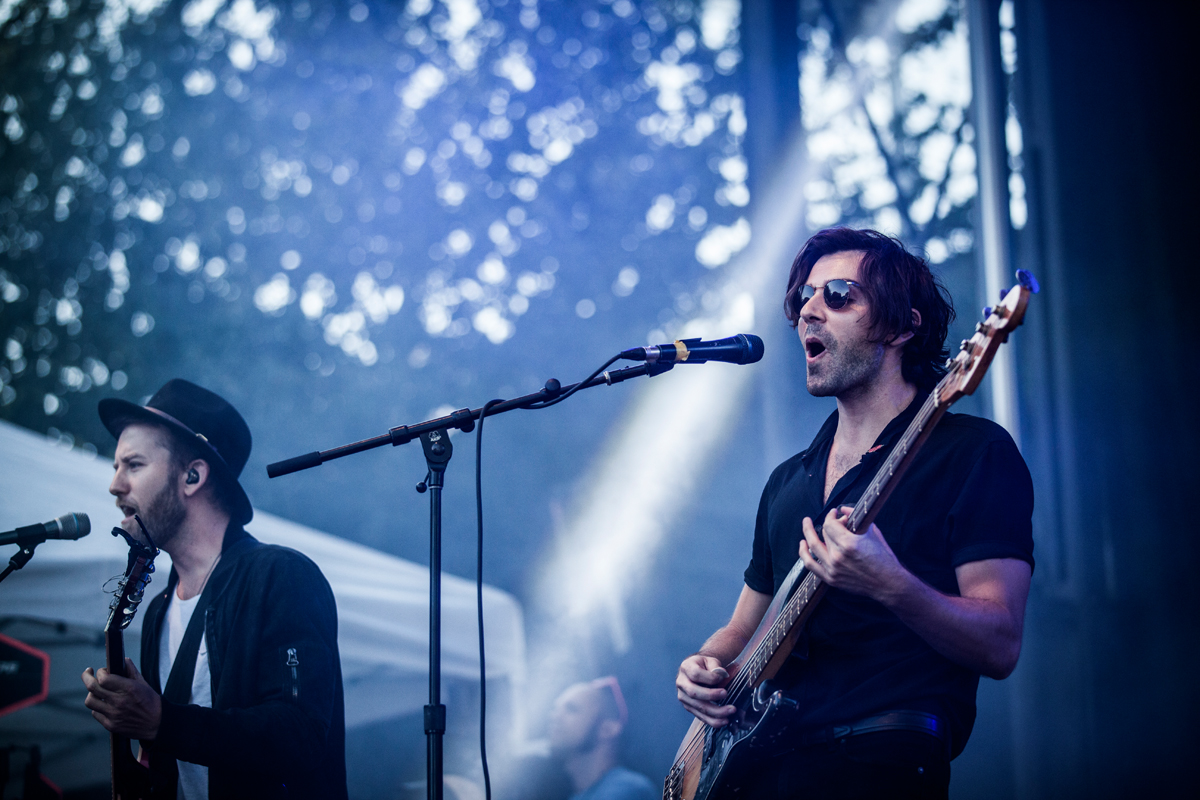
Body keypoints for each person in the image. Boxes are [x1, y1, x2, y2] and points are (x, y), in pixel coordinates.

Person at [674, 228, 1035, 798]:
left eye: (838, 295)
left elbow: (1001, 644)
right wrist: (703, 667)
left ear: (903, 325)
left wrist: (893, 585)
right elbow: (743, 629)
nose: (808, 312)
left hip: (878, 763)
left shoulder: (973, 452)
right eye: (803, 299)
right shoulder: (788, 481)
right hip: (762, 770)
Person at [81, 379, 348, 800]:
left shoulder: (282, 576)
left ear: (192, 476)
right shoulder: (158, 610)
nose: (115, 485)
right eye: (117, 467)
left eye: (133, 465)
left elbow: (300, 733)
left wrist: (161, 722)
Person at [549, 678, 657, 800]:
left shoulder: (630, 790)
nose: (555, 716)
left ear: (608, 729)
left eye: (571, 709)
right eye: (555, 709)